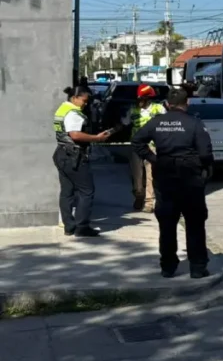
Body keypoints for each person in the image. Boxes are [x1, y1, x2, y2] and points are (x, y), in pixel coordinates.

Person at [131, 88, 214, 278]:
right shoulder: (194, 124)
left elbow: (137, 142)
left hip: (165, 175)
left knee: (167, 224)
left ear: (167, 104)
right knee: (194, 223)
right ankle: (198, 267)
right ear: (188, 103)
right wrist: (206, 170)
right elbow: (205, 153)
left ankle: (168, 267)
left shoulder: (156, 122)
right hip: (190, 178)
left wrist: (152, 158)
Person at [53, 85, 112, 237]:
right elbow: (75, 135)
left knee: (67, 191)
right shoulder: (74, 114)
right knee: (87, 190)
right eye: (84, 101)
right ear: (74, 98)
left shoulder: (62, 109)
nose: (85, 104)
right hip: (74, 156)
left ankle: (69, 227)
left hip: (61, 153)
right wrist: (96, 138)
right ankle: (82, 227)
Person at [128, 84, 167, 212]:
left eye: (142, 99)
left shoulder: (159, 109)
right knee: (136, 177)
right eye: (138, 99)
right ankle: (139, 196)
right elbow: (123, 124)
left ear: (148, 98)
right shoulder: (132, 110)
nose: (139, 101)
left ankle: (149, 202)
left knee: (151, 175)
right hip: (136, 147)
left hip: (152, 146)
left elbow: (166, 126)